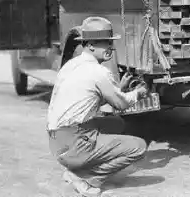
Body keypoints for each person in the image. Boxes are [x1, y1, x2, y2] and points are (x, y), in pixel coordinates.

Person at [47, 16, 149, 197]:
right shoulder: (98, 71)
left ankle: (74, 169)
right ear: (91, 45)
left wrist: (120, 88)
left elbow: (91, 97)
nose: (110, 47)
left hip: (57, 141)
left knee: (116, 123)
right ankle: (88, 178)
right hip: (73, 143)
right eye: (105, 43)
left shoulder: (72, 65)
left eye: (110, 42)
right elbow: (121, 104)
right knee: (139, 147)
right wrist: (138, 93)